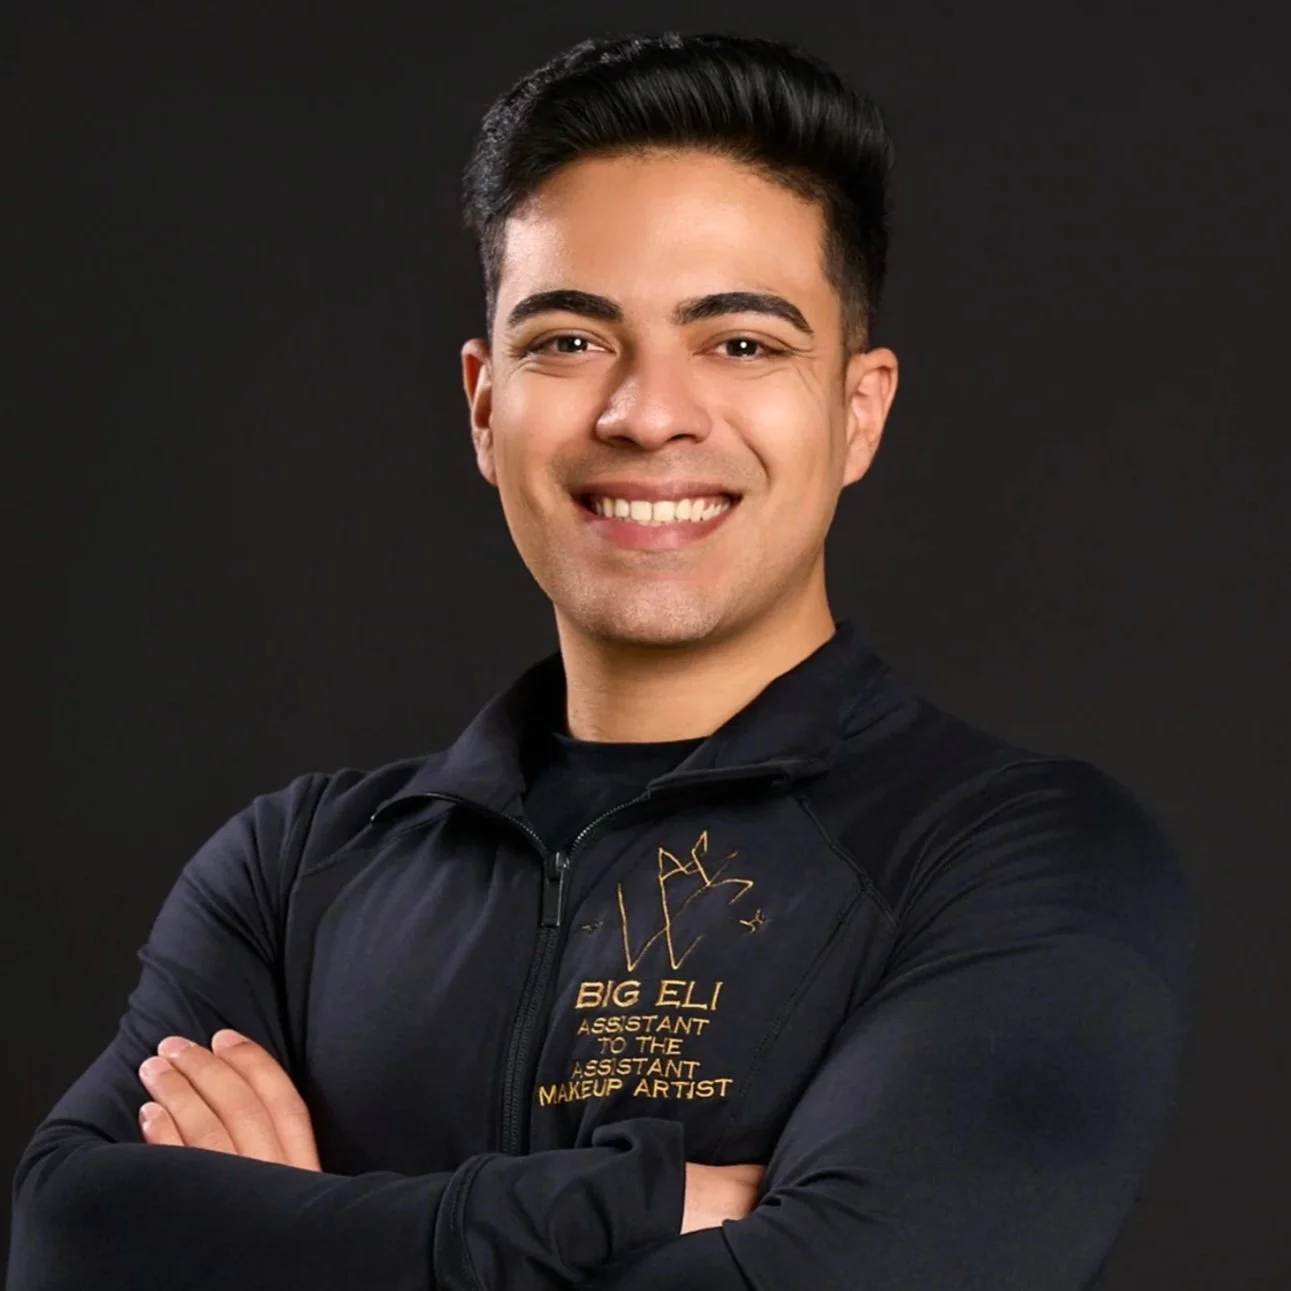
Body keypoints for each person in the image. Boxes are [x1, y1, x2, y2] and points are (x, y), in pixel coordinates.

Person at [7, 31, 1196, 1291]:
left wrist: (292, 1240)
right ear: (483, 405)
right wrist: (620, 1208)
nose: (644, 411)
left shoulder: (1020, 858)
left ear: (859, 410)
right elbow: (72, 1241)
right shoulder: (295, 871)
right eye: (569, 341)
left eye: (740, 342)